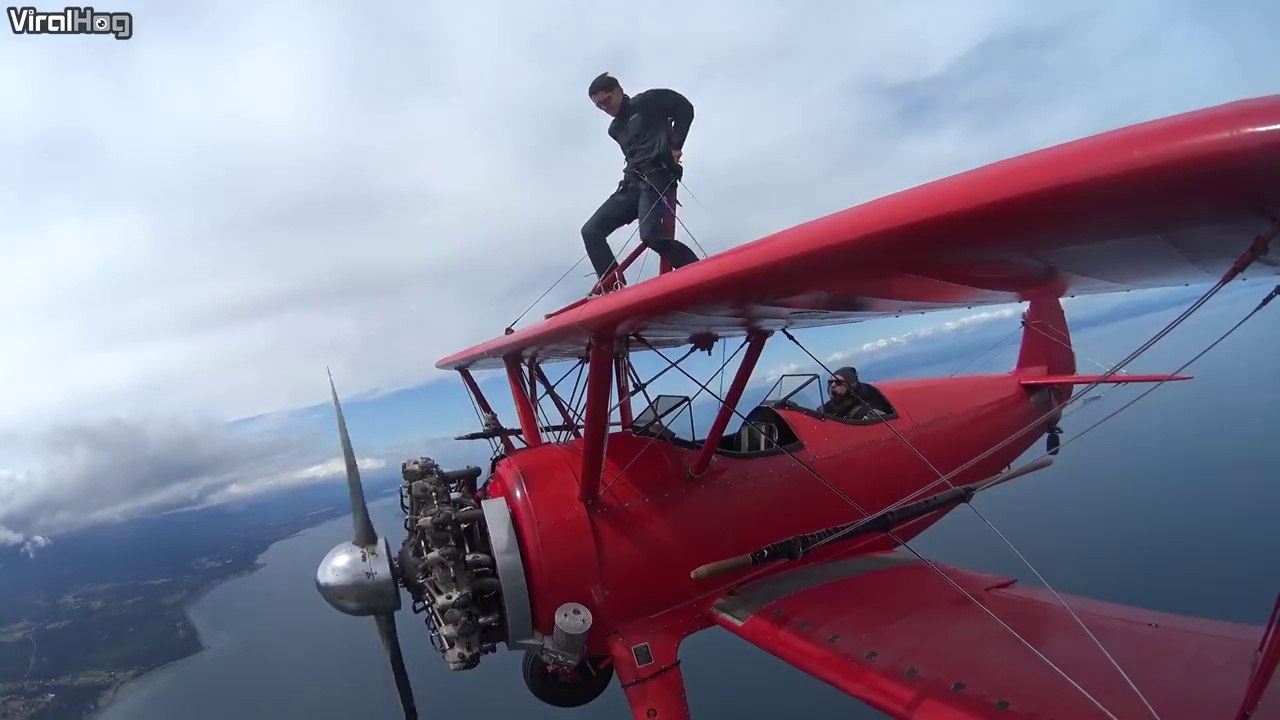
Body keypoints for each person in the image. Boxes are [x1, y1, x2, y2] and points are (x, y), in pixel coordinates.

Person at [581, 72, 701, 286]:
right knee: (591, 231)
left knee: (651, 236)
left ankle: (698, 272)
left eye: (607, 100)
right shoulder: (615, 129)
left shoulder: (648, 101)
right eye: (599, 106)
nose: (605, 108)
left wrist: (676, 146)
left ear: (618, 90)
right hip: (632, 184)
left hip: (658, 176)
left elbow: (684, 107)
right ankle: (614, 289)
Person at [821, 366, 891, 420]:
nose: (832, 385)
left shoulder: (869, 415)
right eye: (830, 382)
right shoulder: (823, 412)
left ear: (851, 386)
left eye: (838, 382)